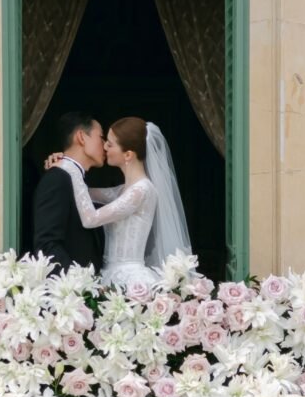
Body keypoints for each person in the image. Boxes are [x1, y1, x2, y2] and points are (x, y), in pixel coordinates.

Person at [49, 117, 191, 287]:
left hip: (131, 278)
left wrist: (69, 166)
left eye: (110, 144)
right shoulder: (123, 191)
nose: (104, 147)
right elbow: (81, 194)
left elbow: (90, 218)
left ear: (128, 155)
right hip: (109, 275)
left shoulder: (142, 190)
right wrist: (61, 164)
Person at [32, 112, 106, 272]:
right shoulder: (57, 179)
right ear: (81, 137)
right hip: (72, 290)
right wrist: (81, 283)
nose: (105, 145)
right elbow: (47, 244)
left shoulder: (76, 178)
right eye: (101, 137)